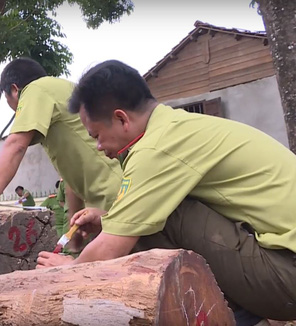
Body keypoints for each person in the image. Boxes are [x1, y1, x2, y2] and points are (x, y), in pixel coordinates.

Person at [37, 59, 296, 323]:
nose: (99, 147)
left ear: (121, 118)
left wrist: (69, 270)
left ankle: (227, 318)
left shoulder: (155, 149)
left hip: (288, 274)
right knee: (151, 215)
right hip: (282, 262)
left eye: (97, 136)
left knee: (159, 219)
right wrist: (107, 221)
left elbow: (109, 250)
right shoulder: (175, 127)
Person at [0, 57, 122, 221]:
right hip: (105, 197)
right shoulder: (60, 94)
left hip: (112, 193)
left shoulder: (35, 89)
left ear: (14, 89)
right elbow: (72, 178)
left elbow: (15, 145)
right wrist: (73, 221)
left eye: (7, 99)